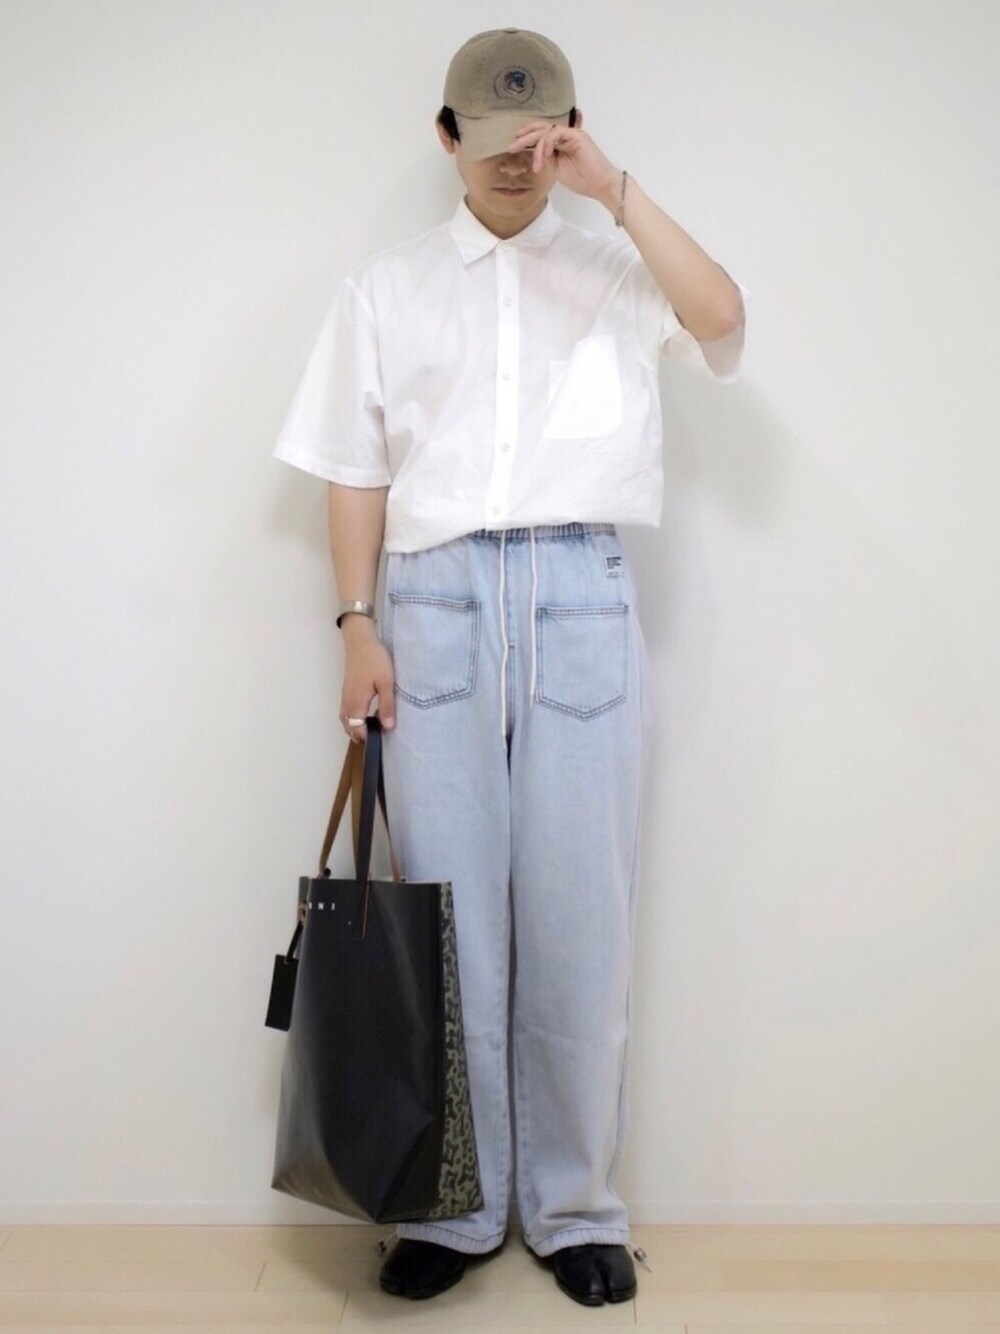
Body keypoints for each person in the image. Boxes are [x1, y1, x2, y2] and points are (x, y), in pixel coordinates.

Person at [272, 27, 750, 1307]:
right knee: (448, 917)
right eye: (489, 143)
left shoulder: (614, 265)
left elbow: (723, 321)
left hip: (578, 594)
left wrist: (615, 190)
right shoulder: (388, 288)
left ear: (567, 135)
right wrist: (357, 623)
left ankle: (576, 1204)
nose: (513, 166)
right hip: (430, 601)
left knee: (582, 917)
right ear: (447, 137)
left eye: (538, 145)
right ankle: (455, 1203)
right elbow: (354, 466)